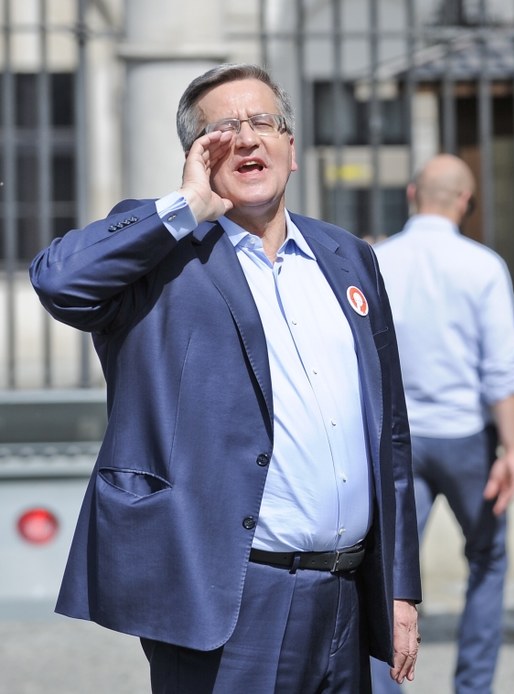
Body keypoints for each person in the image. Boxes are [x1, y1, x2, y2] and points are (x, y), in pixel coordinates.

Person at [30, 63, 421, 693]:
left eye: (263, 122)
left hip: (346, 597)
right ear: (196, 155)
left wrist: (399, 589)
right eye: (222, 130)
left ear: (291, 148)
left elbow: (391, 434)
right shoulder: (164, 253)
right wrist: (185, 208)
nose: (246, 138)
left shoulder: (347, 255)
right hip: (230, 602)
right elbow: (57, 281)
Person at [369, 154, 514, 693]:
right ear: (464, 201)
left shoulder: (375, 262)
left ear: (412, 193)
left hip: (396, 442)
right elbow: (503, 366)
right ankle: (472, 687)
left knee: (387, 574)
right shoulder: (483, 265)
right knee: (487, 558)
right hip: (465, 440)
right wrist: (511, 451)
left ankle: (385, 684)